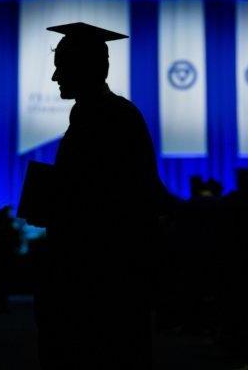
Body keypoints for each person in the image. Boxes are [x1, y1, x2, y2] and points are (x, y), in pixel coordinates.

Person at [34, 22, 161, 370]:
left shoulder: (112, 117)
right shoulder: (101, 114)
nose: (55, 77)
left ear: (89, 66)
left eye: (63, 65)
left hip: (101, 275)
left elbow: (115, 199)